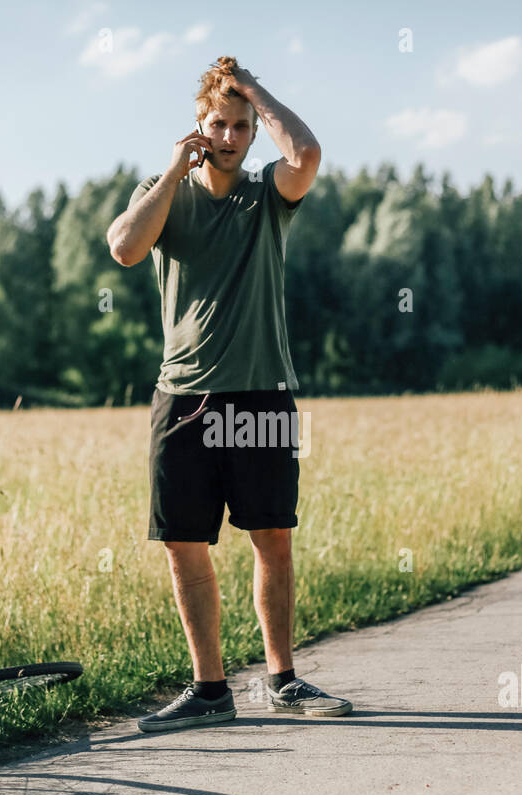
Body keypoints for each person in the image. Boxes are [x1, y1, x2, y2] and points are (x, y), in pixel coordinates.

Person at [106, 56, 352, 732]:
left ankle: (283, 679)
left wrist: (255, 92)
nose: (230, 134)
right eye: (219, 123)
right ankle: (210, 691)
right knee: (186, 544)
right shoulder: (162, 193)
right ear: (197, 127)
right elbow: (125, 248)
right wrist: (173, 169)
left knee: (271, 538)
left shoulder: (266, 194)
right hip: (182, 396)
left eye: (241, 125)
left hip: (262, 395)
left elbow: (305, 152)